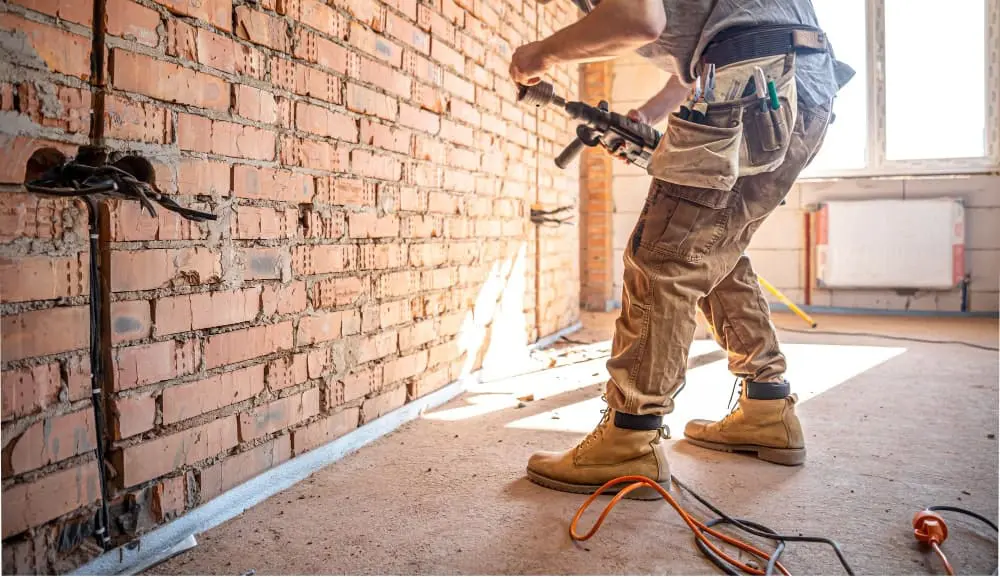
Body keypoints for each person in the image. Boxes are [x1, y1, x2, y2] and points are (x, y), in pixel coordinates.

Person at [509, 0, 853, 499]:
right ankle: (766, 407)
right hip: (792, 83)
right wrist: (647, 116)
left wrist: (539, 54)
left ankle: (629, 438)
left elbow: (636, 20)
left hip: (755, 82)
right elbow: (697, 57)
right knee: (714, 249)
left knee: (664, 259)